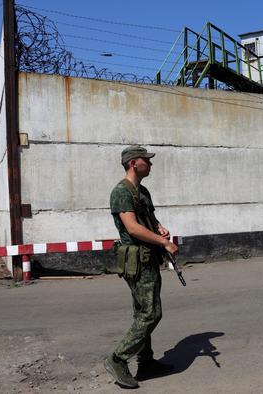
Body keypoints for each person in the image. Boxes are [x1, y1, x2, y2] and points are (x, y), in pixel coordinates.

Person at [104, 145, 178, 389]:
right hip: (137, 260)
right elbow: (133, 228)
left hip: (148, 257)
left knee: (142, 312)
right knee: (150, 313)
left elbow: (148, 220)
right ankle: (117, 359)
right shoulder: (121, 192)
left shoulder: (142, 191)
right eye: (147, 160)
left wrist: (160, 227)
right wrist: (164, 242)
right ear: (134, 163)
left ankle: (145, 361)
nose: (151, 164)